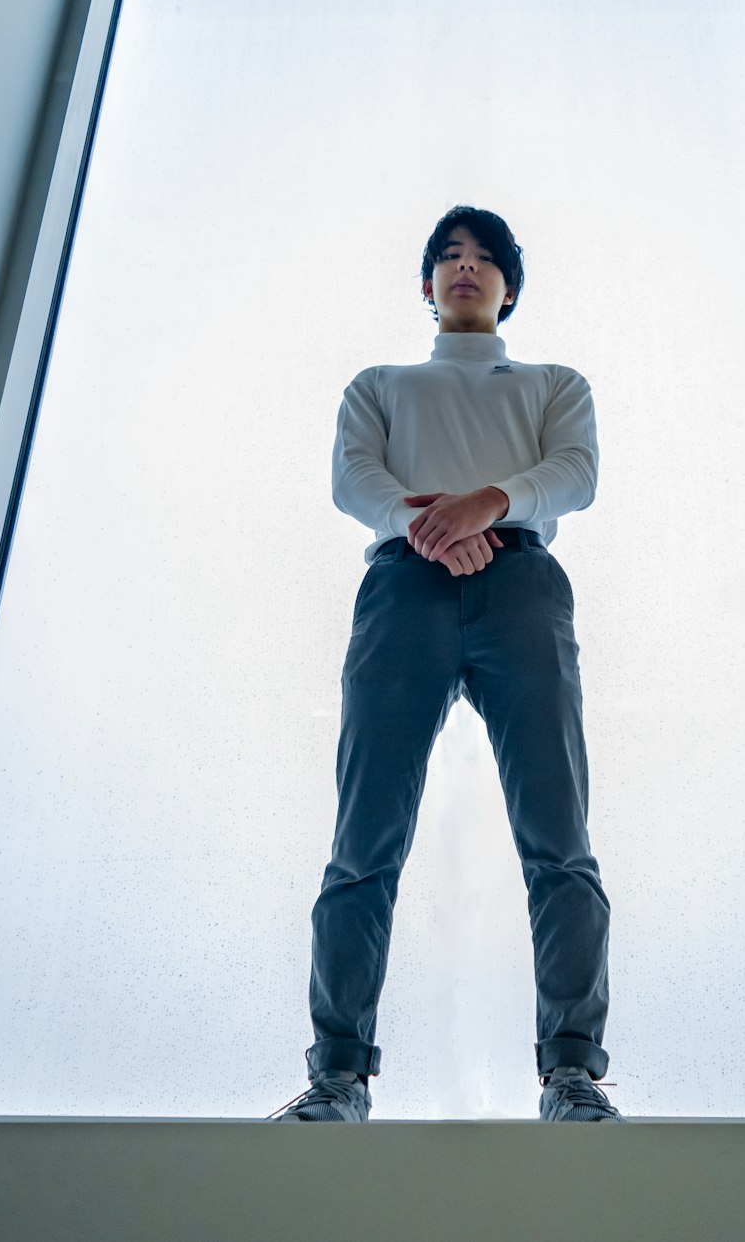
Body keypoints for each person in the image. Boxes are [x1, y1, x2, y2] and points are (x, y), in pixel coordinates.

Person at [272, 205, 625, 1123]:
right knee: (364, 841)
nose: (466, 268)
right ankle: (338, 1077)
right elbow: (355, 479)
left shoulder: (554, 381)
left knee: (559, 837)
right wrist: (429, 528)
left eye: (485, 259)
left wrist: (487, 504)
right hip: (403, 590)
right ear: (425, 284)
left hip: (523, 590)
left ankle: (573, 1074)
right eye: (448, 258)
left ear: (511, 286)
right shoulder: (378, 383)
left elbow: (575, 473)